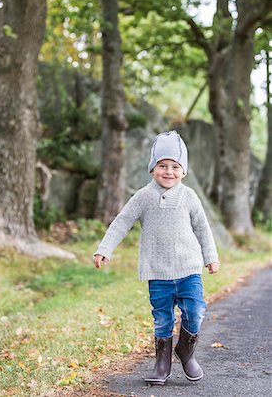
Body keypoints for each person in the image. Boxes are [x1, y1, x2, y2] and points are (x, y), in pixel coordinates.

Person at [93, 130, 219, 386]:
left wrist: (211, 256)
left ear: (183, 171)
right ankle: (162, 362)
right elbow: (122, 222)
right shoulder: (143, 197)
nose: (168, 171)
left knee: (195, 312)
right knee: (162, 318)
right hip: (157, 272)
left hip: (188, 269)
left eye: (175, 166)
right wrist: (104, 248)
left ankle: (185, 350)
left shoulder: (189, 196)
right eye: (162, 165)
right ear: (152, 168)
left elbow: (203, 228)